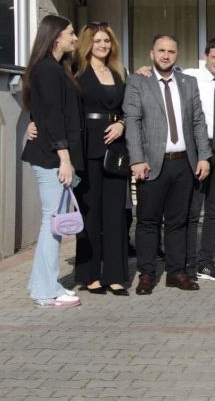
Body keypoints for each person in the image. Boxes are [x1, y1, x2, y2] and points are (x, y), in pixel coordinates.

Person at [123, 35, 212, 295]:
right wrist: (137, 159)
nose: (165, 55)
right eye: (161, 50)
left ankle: (176, 273)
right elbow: (132, 121)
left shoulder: (188, 82)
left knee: (178, 222)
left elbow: (198, 121)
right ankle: (147, 274)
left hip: (184, 163)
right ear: (151, 53)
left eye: (171, 51)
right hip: (151, 164)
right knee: (147, 222)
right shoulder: (138, 81)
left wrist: (204, 156)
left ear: (177, 54)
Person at [21, 14, 83, 308]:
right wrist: (64, 158)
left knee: (53, 221)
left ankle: (41, 284)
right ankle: (46, 290)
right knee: (53, 222)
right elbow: (53, 116)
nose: (75, 38)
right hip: (51, 158)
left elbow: (42, 112)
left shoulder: (55, 69)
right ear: (56, 36)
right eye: (71, 33)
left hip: (52, 155)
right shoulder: (47, 70)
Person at [72, 22, 129, 296]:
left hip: (115, 149)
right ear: (87, 44)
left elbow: (129, 108)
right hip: (87, 149)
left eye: (106, 40)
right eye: (97, 41)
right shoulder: (76, 72)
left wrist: (122, 124)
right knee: (90, 214)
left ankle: (115, 276)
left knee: (116, 214)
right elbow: (63, 106)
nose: (103, 45)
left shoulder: (119, 72)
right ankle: (90, 275)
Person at [179, 38, 215, 283]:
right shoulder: (190, 76)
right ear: (205, 56)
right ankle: (189, 262)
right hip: (200, 149)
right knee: (193, 209)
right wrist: (145, 71)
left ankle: (206, 263)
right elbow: (162, 74)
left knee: (214, 210)